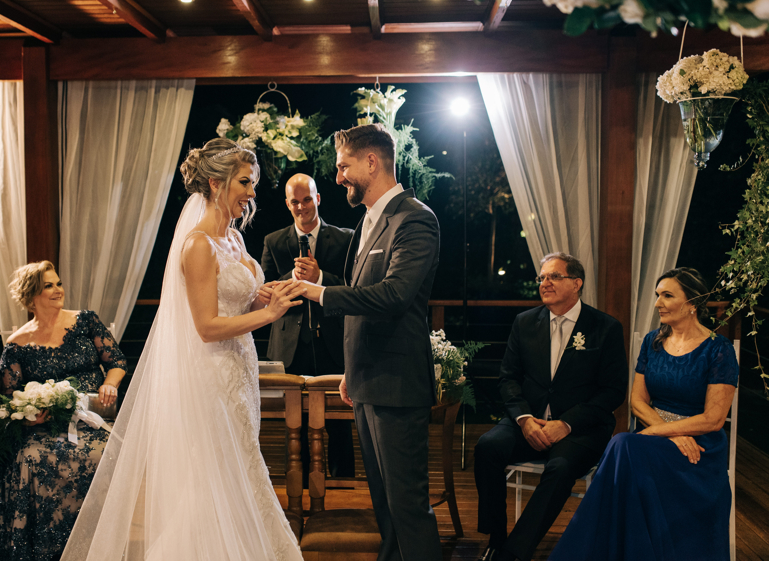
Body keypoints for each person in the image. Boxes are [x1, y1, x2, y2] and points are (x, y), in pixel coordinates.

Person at [61, 138, 305, 561]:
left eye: (254, 182)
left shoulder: (234, 239)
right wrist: (269, 316)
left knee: (240, 465)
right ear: (215, 183)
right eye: (245, 182)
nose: (252, 192)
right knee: (213, 473)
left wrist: (261, 298)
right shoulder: (196, 245)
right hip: (211, 375)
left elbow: (233, 305)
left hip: (240, 369)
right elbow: (208, 327)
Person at [298, 123, 443, 561]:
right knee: (384, 503)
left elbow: (395, 295)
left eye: (343, 166)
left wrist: (319, 293)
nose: (338, 176)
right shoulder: (367, 222)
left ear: (371, 162)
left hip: (397, 385)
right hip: (365, 381)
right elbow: (360, 294)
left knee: (407, 505)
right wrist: (350, 369)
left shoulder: (415, 218)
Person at [549, 267, 738, 561]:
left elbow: (713, 419)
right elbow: (638, 403)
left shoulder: (719, 350)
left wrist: (660, 433)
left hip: (699, 449)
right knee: (625, 445)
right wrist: (670, 433)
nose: (658, 303)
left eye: (667, 295)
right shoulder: (653, 342)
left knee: (622, 444)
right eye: (657, 295)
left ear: (692, 303)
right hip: (657, 440)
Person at [473, 252, 627, 561]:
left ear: (576, 283)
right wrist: (524, 420)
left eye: (554, 276)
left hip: (580, 430)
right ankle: (496, 536)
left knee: (560, 469)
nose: (545, 283)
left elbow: (613, 391)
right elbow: (508, 379)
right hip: (528, 422)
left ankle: (515, 552)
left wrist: (566, 423)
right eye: (542, 277)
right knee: (487, 447)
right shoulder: (524, 322)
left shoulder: (604, 327)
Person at [0, 261, 127, 561]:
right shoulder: (17, 343)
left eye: (58, 283)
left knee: (100, 455)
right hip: (44, 427)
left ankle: (94, 544)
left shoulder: (86, 321)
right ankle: (46, 547)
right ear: (32, 296)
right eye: (49, 285)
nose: (59, 290)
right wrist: (29, 414)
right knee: (29, 458)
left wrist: (110, 384)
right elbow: (10, 397)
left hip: (93, 418)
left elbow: (117, 362)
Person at [260, 172, 355, 478]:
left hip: (333, 346)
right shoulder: (273, 241)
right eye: (294, 202)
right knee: (295, 427)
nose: (301, 207)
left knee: (340, 428)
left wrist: (321, 279)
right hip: (290, 348)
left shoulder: (346, 238)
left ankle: (344, 497)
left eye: (306, 200)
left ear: (317, 198)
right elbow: (262, 291)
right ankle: (299, 492)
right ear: (287, 205)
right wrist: (293, 279)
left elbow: (355, 290)